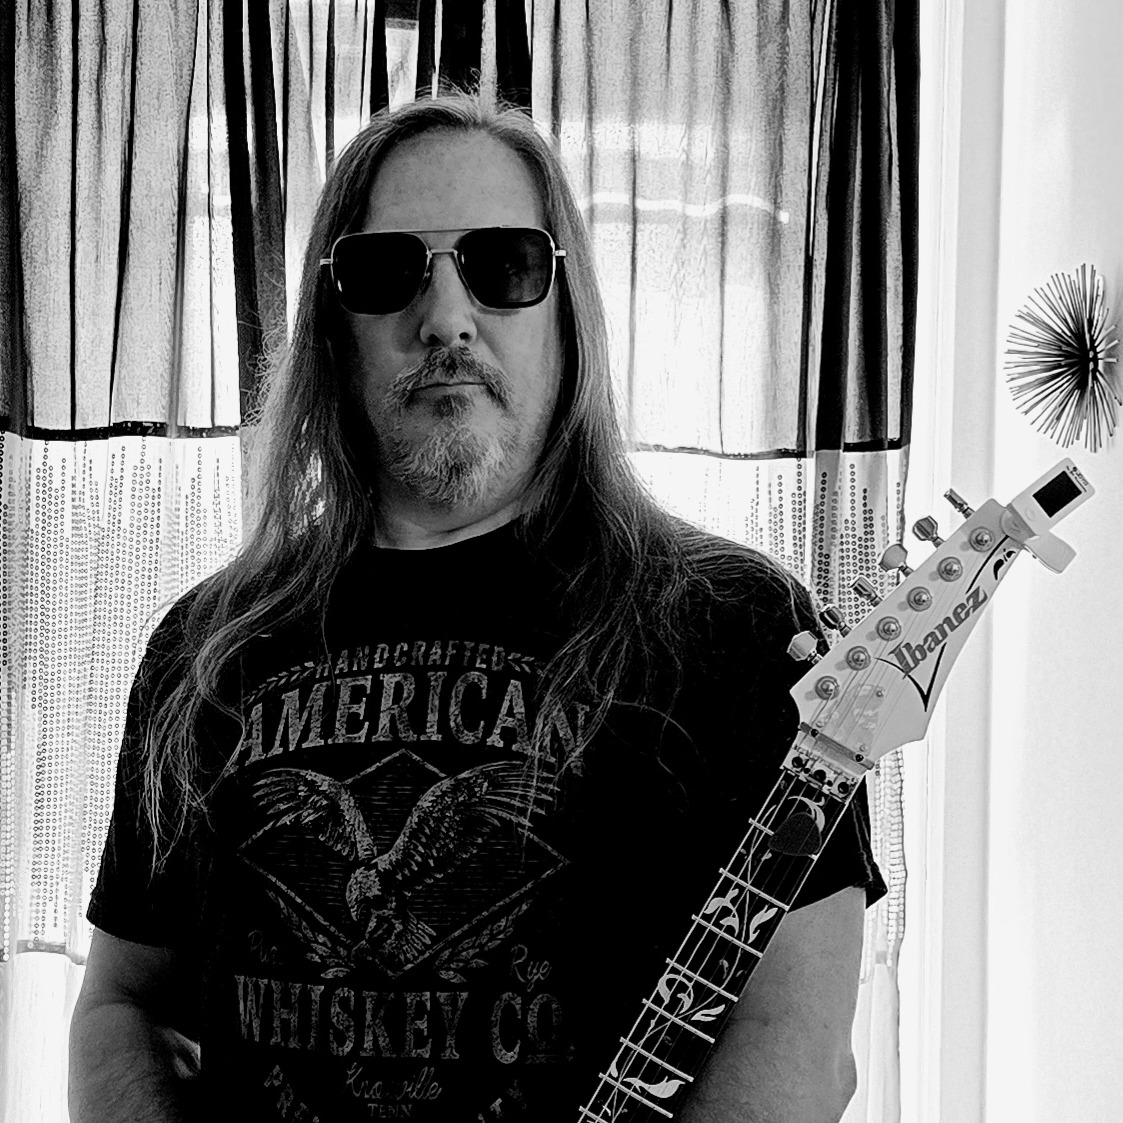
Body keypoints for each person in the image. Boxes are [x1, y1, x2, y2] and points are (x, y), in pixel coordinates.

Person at [69, 89, 887, 1123]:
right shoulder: (206, 647)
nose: (446, 317)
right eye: (387, 271)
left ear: (566, 307)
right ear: (331, 326)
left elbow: (795, 1043)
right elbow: (124, 1006)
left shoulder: (737, 626)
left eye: (502, 264)